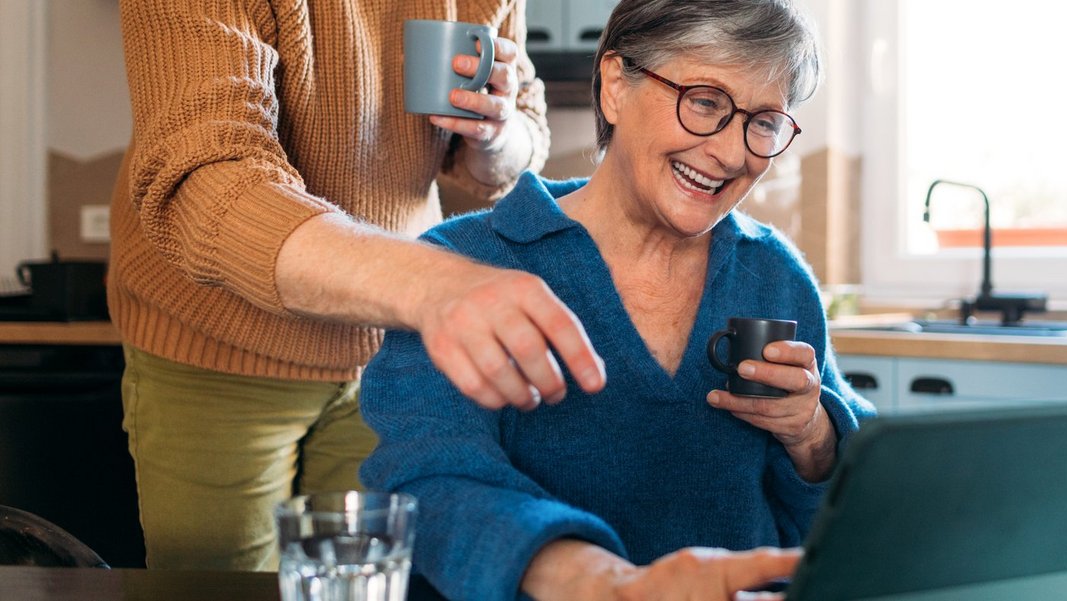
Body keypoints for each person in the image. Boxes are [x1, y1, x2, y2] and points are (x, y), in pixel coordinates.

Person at [359, 0, 877, 599]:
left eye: (762, 122)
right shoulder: (462, 266)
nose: (733, 154)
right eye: (705, 102)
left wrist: (813, 435)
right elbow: (427, 483)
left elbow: (849, 514)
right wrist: (609, 583)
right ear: (614, 87)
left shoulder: (772, 272)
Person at [109, 0, 607, 571]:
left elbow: (521, 147)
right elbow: (208, 176)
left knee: (370, 579)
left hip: (386, 354)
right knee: (220, 584)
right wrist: (430, 284)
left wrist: (494, 135)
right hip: (215, 342)